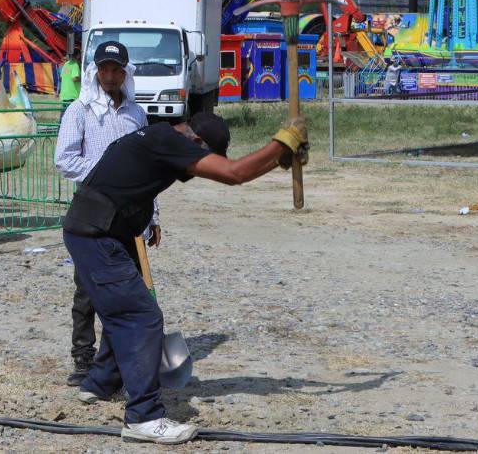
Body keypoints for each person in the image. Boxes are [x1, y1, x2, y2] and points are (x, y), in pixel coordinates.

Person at [63, 110, 308, 444]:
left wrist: (279, 157)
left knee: (123, 305)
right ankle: (143, 417)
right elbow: (234, 173)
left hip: (99, 228)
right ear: (195, 141)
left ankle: (101, 382)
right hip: (98, 234)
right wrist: (283, 140)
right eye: (204, 155)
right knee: (140, 317)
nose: (200, 164)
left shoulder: (160, 137)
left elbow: (235, 172)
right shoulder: (169, 141)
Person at [55, 41, 150, 387]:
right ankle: (83, 359)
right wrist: (107, 173)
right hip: (92, 214)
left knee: (128, 290)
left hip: (128, 216)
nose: (110, 75)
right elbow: (64, 159)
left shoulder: (136, 115)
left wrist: (153, 216)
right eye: (104, 69)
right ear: (95, 72)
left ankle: (119, 359)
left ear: (125, 73)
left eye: (116, 69)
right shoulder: (80, 111)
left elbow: (146, 170)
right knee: (88, 290)